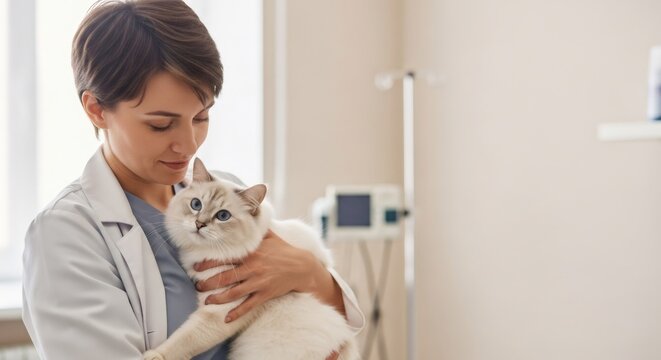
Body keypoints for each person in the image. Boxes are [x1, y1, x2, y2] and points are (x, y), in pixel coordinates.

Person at [21, 1, 364, 359]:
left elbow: (330, 316)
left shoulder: (223, 191)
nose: (188, 145)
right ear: (96, 109)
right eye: (160, 124)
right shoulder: (63, 236)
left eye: (201, 117)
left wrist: (310, 274)